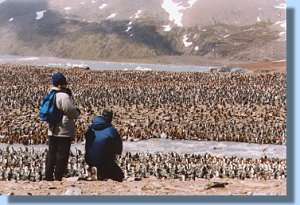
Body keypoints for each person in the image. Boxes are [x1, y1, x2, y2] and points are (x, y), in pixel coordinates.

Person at [45, 72, 80, 181]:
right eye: (64, 83)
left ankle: (48, 175)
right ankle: (58, 176)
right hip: (63, 129)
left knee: (51, 153)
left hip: (52, 128)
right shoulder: (63, 96)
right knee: (62, 154)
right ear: (61, 84)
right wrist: (77, 112)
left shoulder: (51, 93)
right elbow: (71, 112)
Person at [85, 110, 124, 182]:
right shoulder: (111, 130)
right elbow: (118, 146)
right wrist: (117, 153)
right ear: (110, 118)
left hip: (89, 158)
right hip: (105, 160)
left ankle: (95, 169)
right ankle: (101, 171)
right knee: (120, 176)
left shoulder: (90, 128)